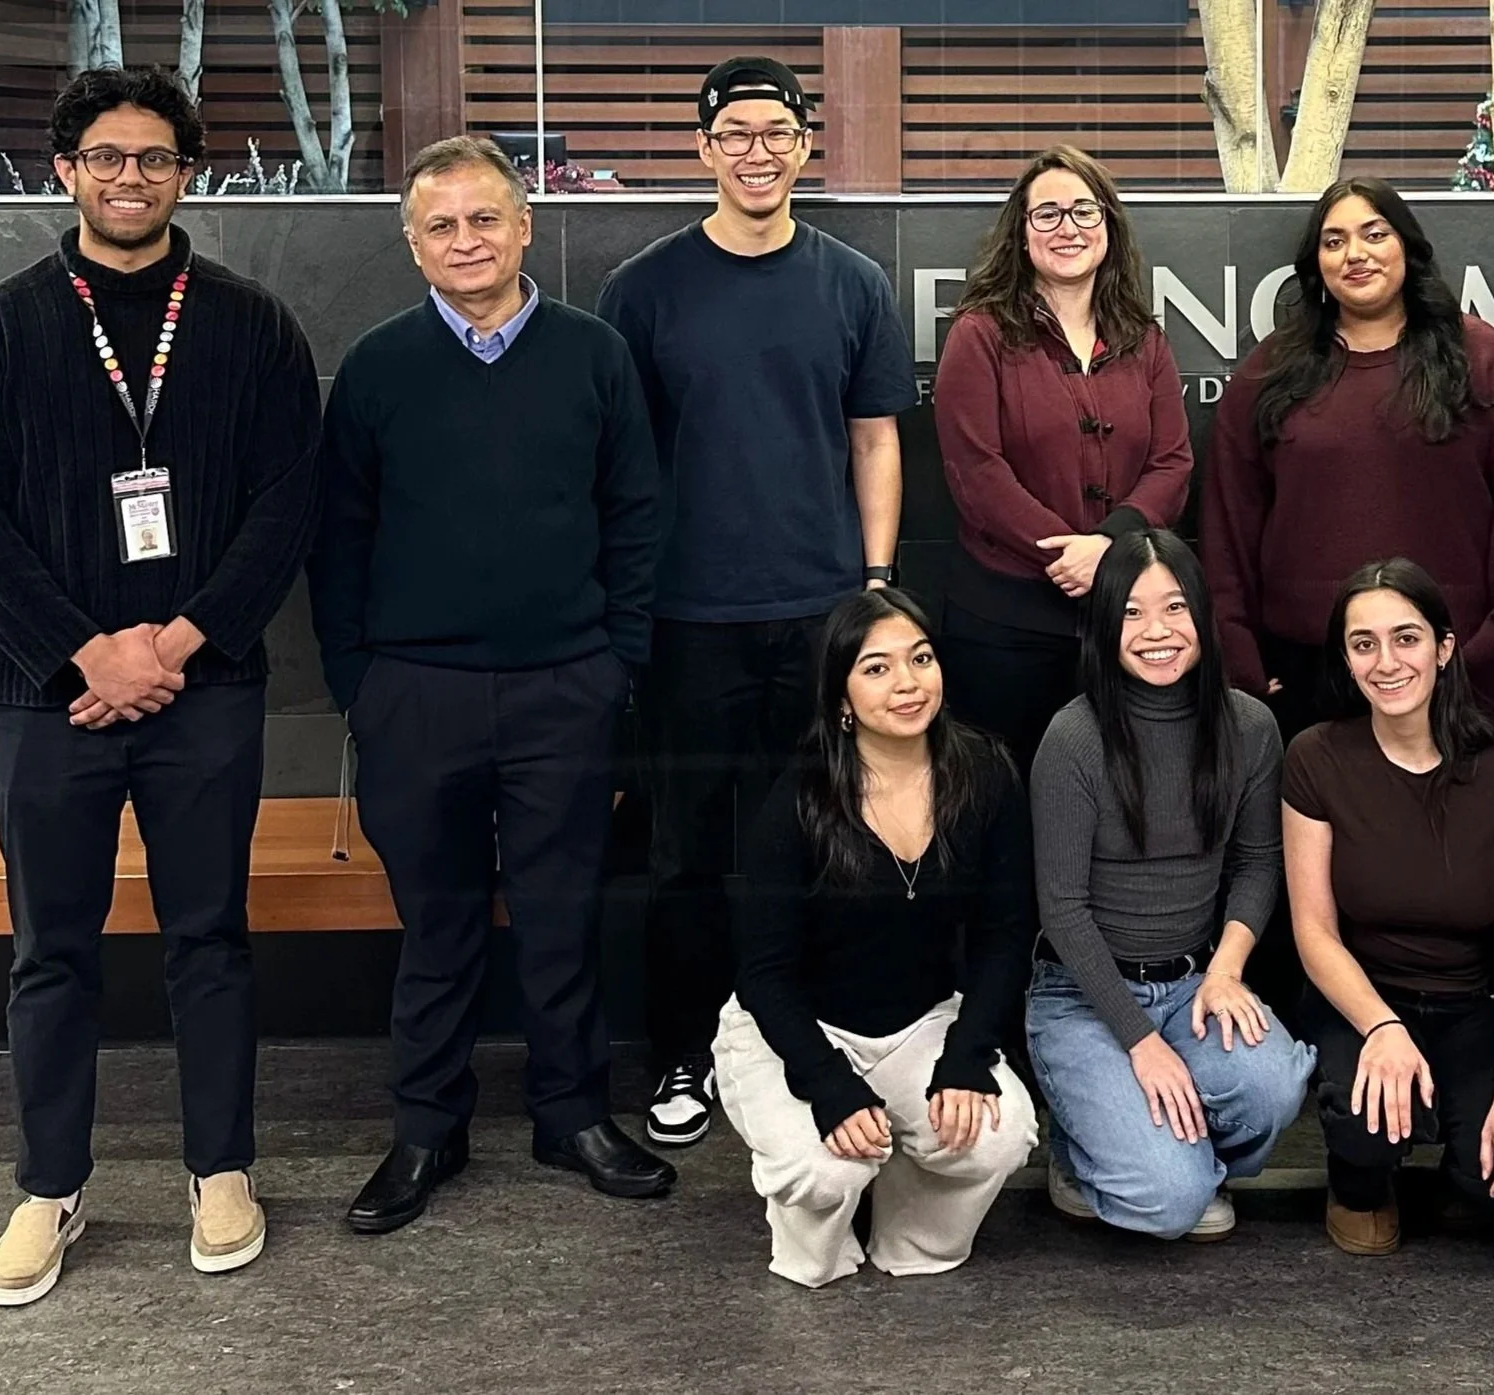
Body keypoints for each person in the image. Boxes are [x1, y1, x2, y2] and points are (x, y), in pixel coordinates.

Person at [0, 68, 318, 1306]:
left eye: (154, 157)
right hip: (48, 695)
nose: (130, 177)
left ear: (187, 173)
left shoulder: (253, 328)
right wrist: (86, 653)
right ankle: (49, 1185)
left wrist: (177, 644)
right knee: (51, 950)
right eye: (106, 157)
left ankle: (222, 1170)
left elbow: (283, 507)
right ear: (66, 171)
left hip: (210, 685)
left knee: (211, 938)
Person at [308, 136, 672, 1235]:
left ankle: (572, 1115)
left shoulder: (596, 355)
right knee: (438, 924)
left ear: (524, 227)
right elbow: (339, 539)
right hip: (416, 696)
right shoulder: (377, 367)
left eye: (483, 219)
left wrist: (615, 662)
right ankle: (429, 1126)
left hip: (567, 687)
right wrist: (362, 684)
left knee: (563, 918)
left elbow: (637, 518)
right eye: (441, 225)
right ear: (413, 244)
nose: (465, 241)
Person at [598, 55, 919, 1151]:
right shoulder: (643, 289)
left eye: (776, 132)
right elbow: (621, 463)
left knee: (824, 836)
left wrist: (873, 585)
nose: (756, 152)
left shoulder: (853, 284)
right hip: (687, 618)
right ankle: (682, 1054)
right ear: (703, 149)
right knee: (685, 850)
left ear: (804, 146)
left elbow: (875, 440)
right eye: (733, 133)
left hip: (823, 616)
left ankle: (815, 1042)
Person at [716, 590, 1039, 1288]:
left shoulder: (985, 774)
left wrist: (965, 1057)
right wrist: (828, 1083)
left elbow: (1005, 936)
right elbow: (764, 974)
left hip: (918, 1021)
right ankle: (827, 1220)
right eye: (877, 668)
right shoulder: (799, 798)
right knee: (825, 1170)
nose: (907, 683)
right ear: (841, 697)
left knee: (997, 1134)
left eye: (920, 659)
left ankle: (909, 1229)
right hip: (798, 1026)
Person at [1026, 529, 1314, 1241]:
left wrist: (1226, 971)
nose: (1157, 631)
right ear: (1103, 625)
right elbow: (1061, 907)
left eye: (1174, 608)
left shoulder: (1250, 726)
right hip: (1082, 994)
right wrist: (1139, 1040)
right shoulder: (1073, 737)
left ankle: (1173, 1154)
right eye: (1131, 612)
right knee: (1171, 1204)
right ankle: (1091, 1152)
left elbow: (1257, 861)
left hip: (1192, 982)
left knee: (1274, 1088)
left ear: (1202, 616)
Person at [1283, 559, 1494, 1257]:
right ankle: (1359, 1184)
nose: (1386, 662)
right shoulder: (1316, 757)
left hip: (1473, 1005)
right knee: (1367, 1128)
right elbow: (1314, 931)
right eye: (1363, 644)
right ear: (1346, 659)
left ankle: (1459, 1171)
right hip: (1361, 997)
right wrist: (1381, 1026)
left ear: (1444, 648)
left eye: (1406, 638)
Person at [1203, 177, 1494, 734]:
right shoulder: (1270, 371)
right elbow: (1228, 524)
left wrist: (1491, 656)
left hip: (1452, 670)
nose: (1355, 254)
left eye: (1375, 234)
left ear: (1408, 248)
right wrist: (1241, 660)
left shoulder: (1482, 360)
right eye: (1334, 241)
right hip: (1307, 674)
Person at [933, 145, 1193, 772]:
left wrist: (1107, 547)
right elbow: (976, 472)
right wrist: (1067, 553)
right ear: (1021, 234)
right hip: (1004, 623)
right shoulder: (979, 333)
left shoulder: (1145, 339)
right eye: (1046, 214)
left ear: (1108, 225)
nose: (1067, 227)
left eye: (1083, 210)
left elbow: (1173, 463)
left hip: (1123, 615)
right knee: (1005, 794)